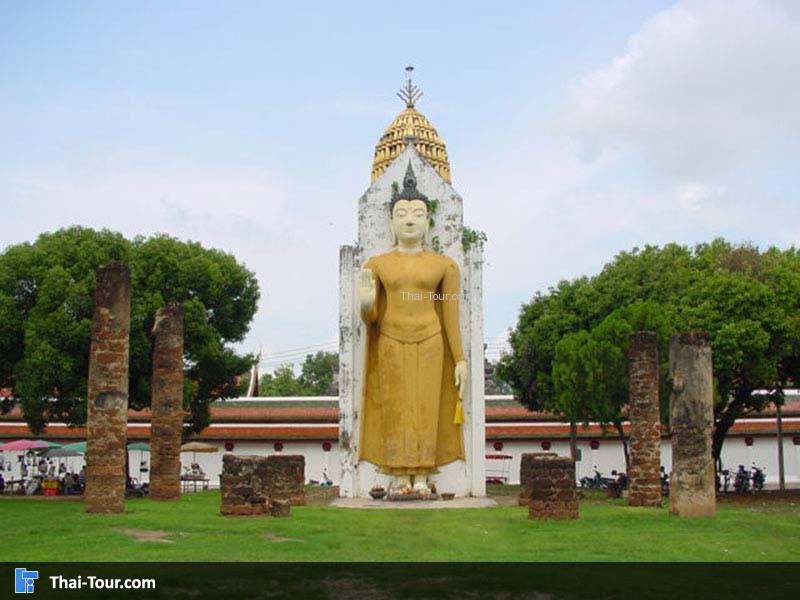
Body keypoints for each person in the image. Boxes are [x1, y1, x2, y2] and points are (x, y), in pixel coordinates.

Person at [358, 162, 467, 494]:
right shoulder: (376, 265)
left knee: (426, 408)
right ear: (391, 220)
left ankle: (422, 475)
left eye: (417, 214)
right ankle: (399, 476)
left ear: (429, 220)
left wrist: (460, 359)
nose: (409, 220)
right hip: (390, 340)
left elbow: (449, 312)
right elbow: (373, 318)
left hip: (431, 341)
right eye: (402, 213)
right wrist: (365, 306)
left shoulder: (444, 265)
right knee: (395, 408)